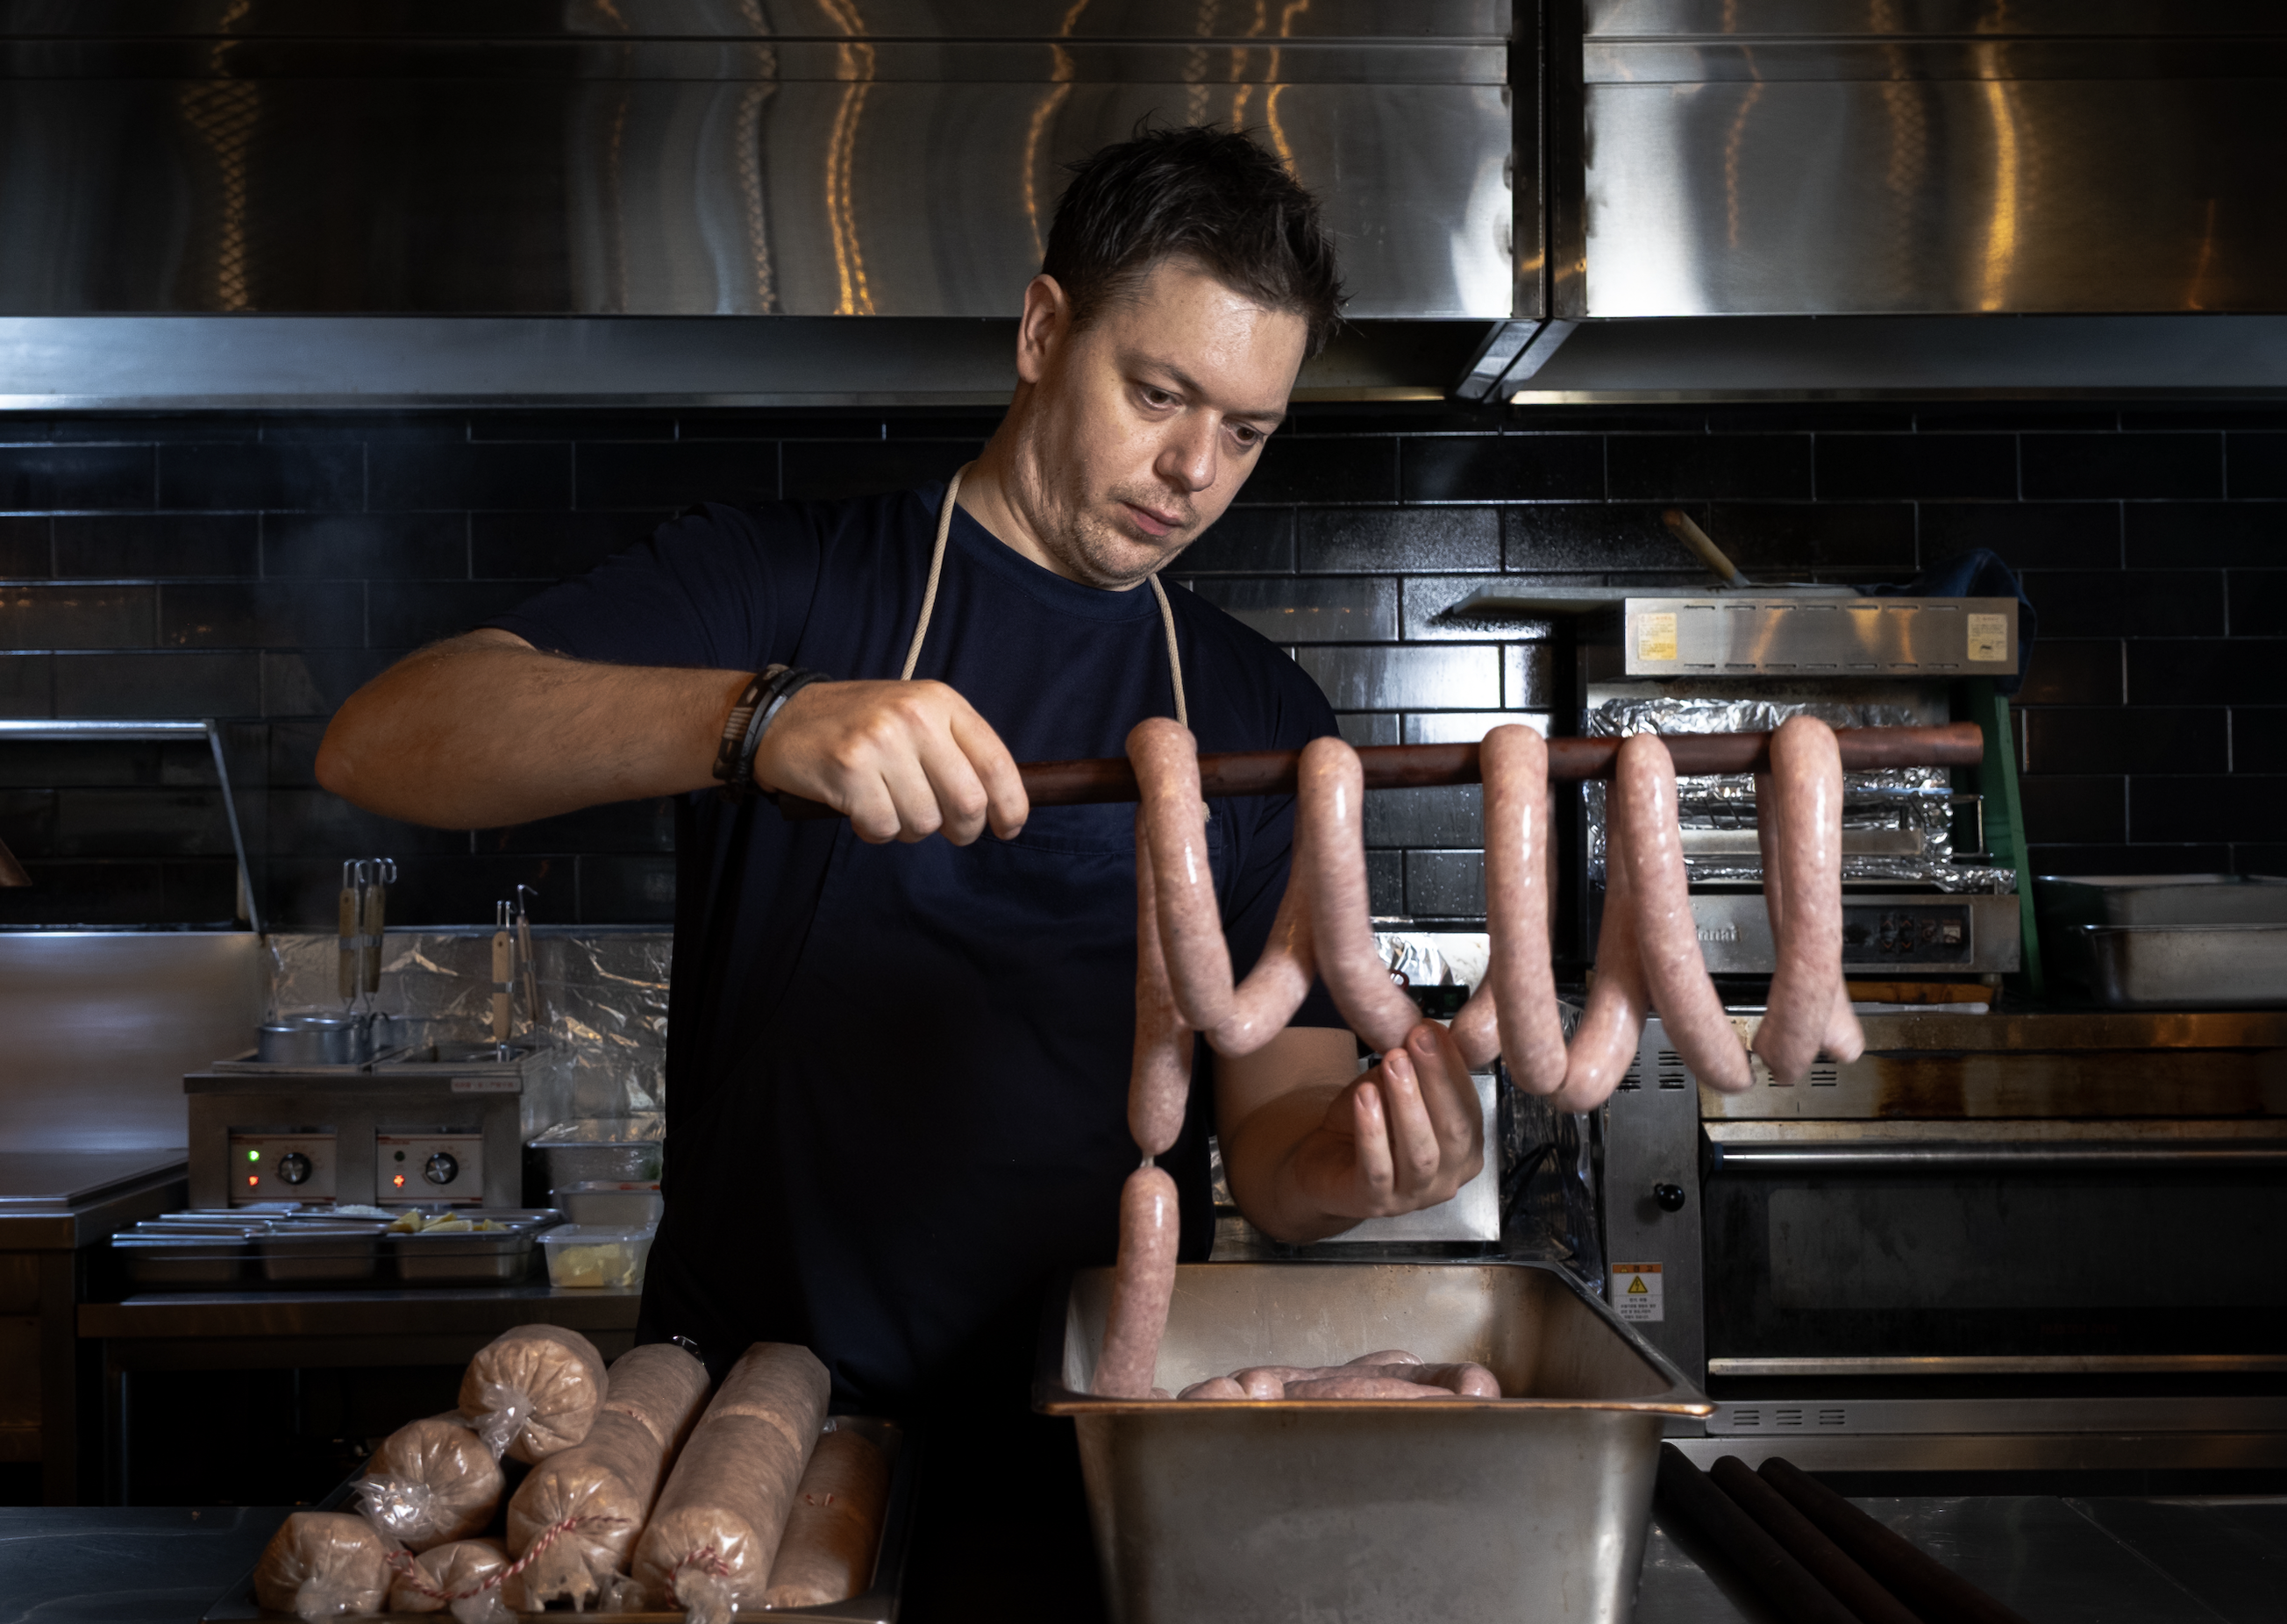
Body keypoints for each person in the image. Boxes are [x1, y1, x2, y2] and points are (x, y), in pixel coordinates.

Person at [318, 126, 1484, 1617]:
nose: (1195, 471)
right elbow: (382, 738)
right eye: (1158, 395)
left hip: (1097, 1450)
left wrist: (1347, 1170)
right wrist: (758, 722)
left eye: (1248, 431)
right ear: (1044, 331)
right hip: (750, 1458)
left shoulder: (1261, 717)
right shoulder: (787, 586)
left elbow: (1273, 1137)